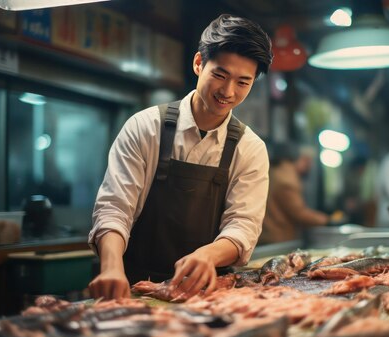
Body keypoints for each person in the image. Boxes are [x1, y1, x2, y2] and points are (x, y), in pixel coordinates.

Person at [88, 14, 273, 301]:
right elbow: (114, 208)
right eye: (220, 75)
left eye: (242, 82)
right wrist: (111, 267)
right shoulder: (146, 127)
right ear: (199, 63)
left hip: (207, 295)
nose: (228, 91)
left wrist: (209, 254)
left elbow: (244, 226)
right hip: (132, 288)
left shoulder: (250, 148)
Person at [260, 142, 330, 244]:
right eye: (307, 161)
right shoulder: (287, 179)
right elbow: (298, 212)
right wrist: (326, 220)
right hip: (278, 237)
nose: (309, 166)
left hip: (265, 235)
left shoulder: (272, 171)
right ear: (298, 158)